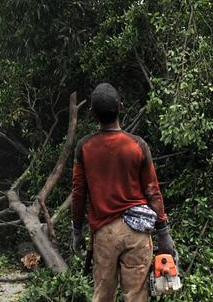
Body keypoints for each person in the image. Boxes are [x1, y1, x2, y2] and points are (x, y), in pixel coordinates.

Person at [71, 83, 177, 302]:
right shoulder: (137, 145)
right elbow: (153, 191)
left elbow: (78, 193)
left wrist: (77, 231)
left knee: (102, 296)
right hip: (137, 234)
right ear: (121, 107)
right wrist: (163, 232)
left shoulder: (85, 147)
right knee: (137, 296)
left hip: (104, 233)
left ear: (91, 113)